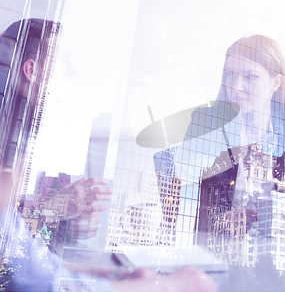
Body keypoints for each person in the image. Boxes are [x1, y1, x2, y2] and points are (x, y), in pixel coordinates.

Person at [0, 19, 219, 291]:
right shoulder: (12, 146)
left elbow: (27, 253)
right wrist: (164, 287)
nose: (71, 74)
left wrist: (66, 220)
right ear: (32, 70)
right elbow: (32, 280)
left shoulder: (23, 140)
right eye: (63, 62)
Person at [171, 35, 285, 270]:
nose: (236, 87)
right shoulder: (205, 124)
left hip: (281, 263)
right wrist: (221, 223)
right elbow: (179, 203)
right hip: (216, 263)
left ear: (275, 83)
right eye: (230, 75)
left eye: (250, 76)